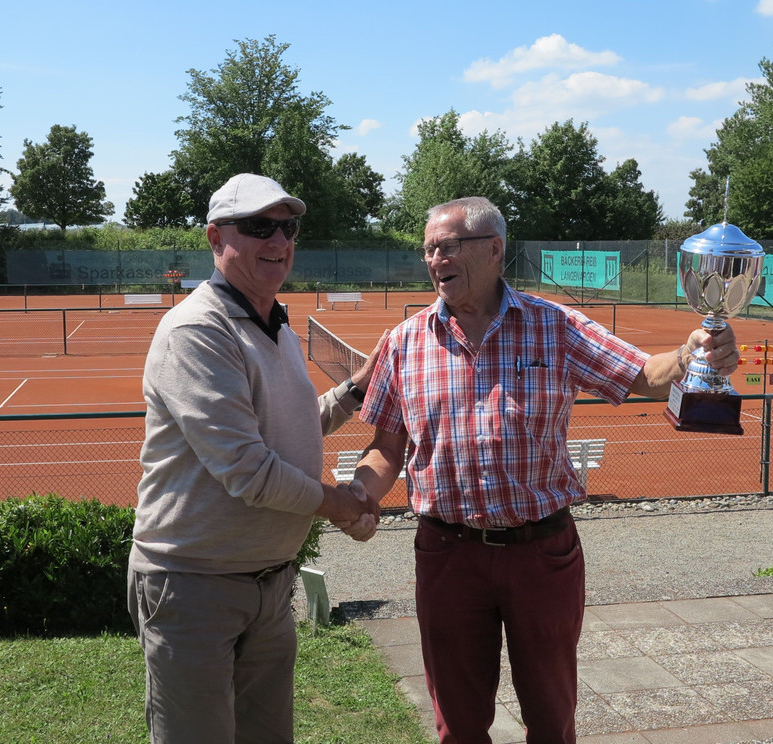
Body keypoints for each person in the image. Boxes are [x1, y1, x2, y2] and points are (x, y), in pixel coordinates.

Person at [343, 196, 740, 744]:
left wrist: (692, 352)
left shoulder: (554, 326)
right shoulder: (404, 341)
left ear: (494, 250)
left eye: (448, 246)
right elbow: (386, 449)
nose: (435, 260)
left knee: (552, 720)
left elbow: (644, 375)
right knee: (457, 725)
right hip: (447, 555)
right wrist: (357, 494)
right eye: (429, 250)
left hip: (541, 554)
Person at [127, 173, 383, 744]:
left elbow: (289, 428)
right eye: (260, 226)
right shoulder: (197, 329)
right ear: (216, 238)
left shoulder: (276, 324)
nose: (279, 240)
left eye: (288, 228)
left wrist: (353, 391)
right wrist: (343, 505)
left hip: (270, 584)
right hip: (193, 585)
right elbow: (249, 469)